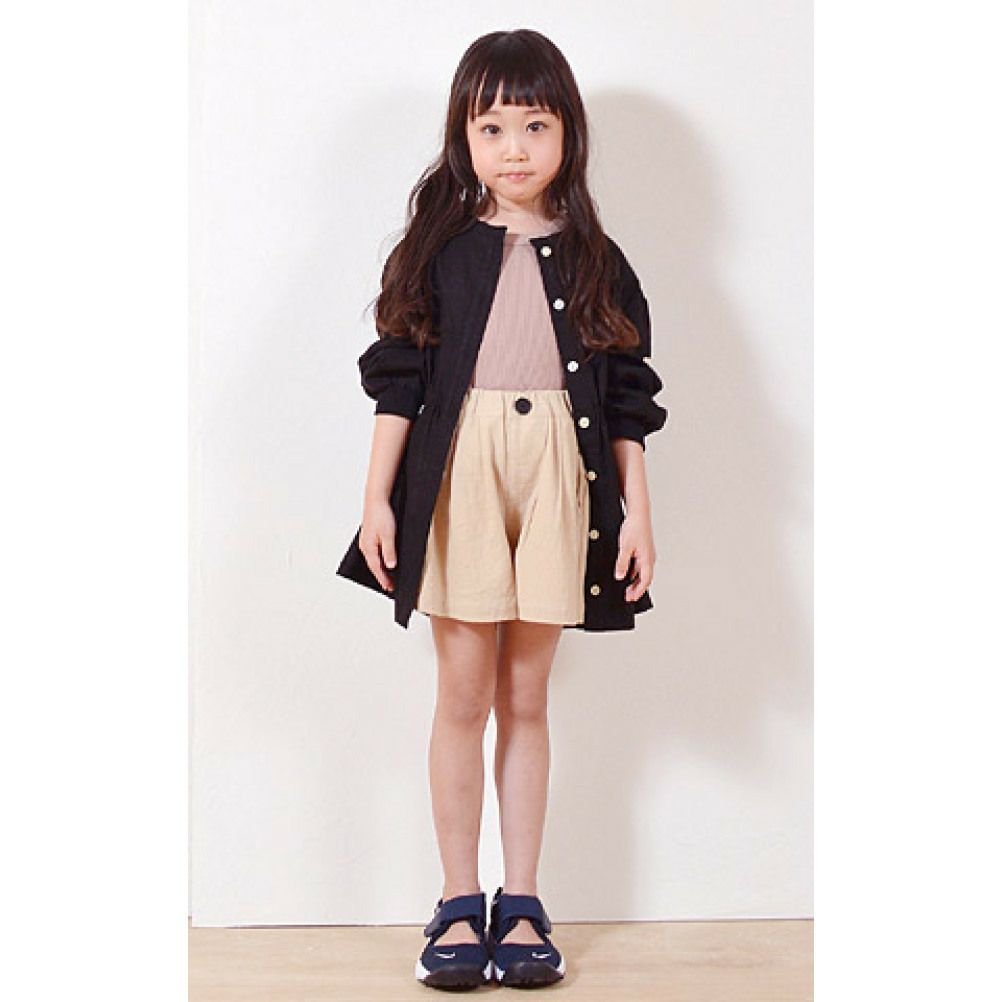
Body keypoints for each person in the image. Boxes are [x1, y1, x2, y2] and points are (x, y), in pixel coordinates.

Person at [335, 29, 669, 991]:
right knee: (463, 694)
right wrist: (376, 499)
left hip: (562, 473)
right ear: (463, 136)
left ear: (568, 134)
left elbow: (627, 399)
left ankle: (520, 902)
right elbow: (399, 381)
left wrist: (638, 514)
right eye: (492, 127)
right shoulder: (436, 252)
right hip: (460, 472)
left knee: (527, 696)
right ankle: (455, 899)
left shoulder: (599, 258)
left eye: (534, 125)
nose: (514, 147)